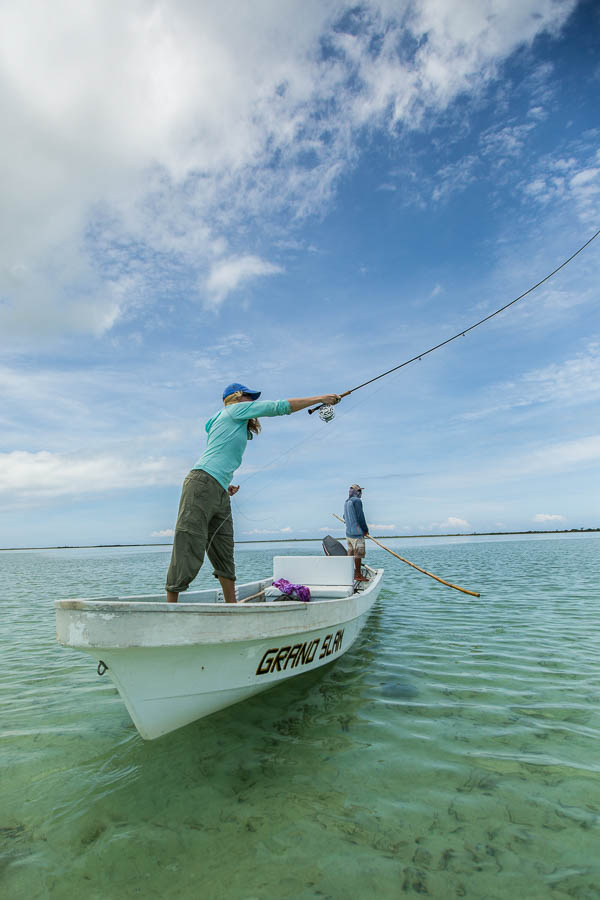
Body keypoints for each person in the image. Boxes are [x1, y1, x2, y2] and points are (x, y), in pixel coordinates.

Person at [166, 382, 341, 603]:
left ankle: (232, 607)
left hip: (217, 487)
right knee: (189, 542)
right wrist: (320, 398)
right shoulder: (232, 410)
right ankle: (170, 608)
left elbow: (220, 453)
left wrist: (223, 484)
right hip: (201, 483)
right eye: (250, 398)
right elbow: (278, 407)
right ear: (237, 398)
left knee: (224, 549)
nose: (253, 403)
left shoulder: (231, 421)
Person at [343, 484, 369, 582]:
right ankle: (358, 575)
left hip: (348, 534)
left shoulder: (347, 502)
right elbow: (360, 517)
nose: (361, 493)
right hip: (357, 534)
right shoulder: (357, 501)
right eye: (360, 491)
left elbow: (344, 517)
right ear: (356, 492)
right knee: (358, 555)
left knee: (351, 554)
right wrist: (365, 530)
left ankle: (350, 574)